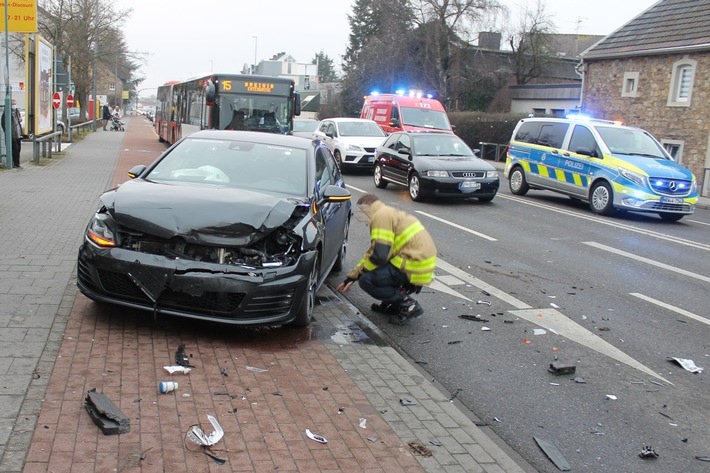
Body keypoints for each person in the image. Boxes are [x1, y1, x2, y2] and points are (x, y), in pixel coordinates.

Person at [336, 194, 437, 325]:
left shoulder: (380, 217)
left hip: (412, 265)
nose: (362, 218)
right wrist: (352, 276)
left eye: (361, 212)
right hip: (419, 263)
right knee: (377, 271)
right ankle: (394, 304)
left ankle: (409, 305)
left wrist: (361, 274)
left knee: (367, 280)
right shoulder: (388, 213)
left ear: (367, 208)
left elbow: (379, 256)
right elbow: (372, 252)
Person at [2, 99, 23, 169]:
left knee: (18, 149)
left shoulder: (17, 111)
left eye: (15, 104)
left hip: (18, 134)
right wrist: (8, 133)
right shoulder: (6, 113)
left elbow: (19, 119)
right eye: (13, 104)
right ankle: (15, 163)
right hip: (12, 135)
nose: (14, 105)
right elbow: (3, 124)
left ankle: (17, 164)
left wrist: (20, 119)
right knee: (15, 149)